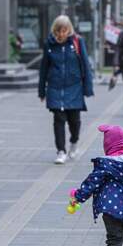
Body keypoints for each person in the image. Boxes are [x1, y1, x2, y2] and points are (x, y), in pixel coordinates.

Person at [38, 15, 94, 164]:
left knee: (74, 121)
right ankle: (61, 151)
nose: (61, 34)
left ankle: (74, 142)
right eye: (58, 31)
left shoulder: (77, 42)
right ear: (54, 30)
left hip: (74, 88)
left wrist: (88, 87)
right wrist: (41, 91)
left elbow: (85, 65)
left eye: (64, 30)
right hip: (55, 88)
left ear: (69, 30)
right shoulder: (49, 44)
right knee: (58, 119)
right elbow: (43, 68)